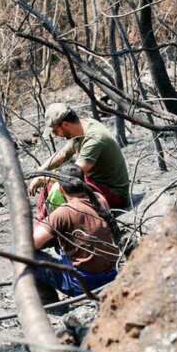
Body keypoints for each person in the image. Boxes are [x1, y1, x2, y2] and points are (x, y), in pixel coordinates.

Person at [32, 165, 119, 301]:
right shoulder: (100, 199)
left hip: (84, 287)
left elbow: (30, 244)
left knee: (23, 255)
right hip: (112, 277)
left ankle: (51, 304)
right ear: (84, 183)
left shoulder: (62, 213)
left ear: (60, 189)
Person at [28, 103, 131, 217]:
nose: (55, 135)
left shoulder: (94, 138)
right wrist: (40, 171)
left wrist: (43, 178)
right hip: (95, 183)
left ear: (65, 124)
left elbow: (73, 178)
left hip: (114, 194)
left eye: (55, 131)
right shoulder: (80, 128)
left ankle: (54, 226)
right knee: (49, 186)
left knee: (58, 188)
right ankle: (45, 224)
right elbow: (63, 154)